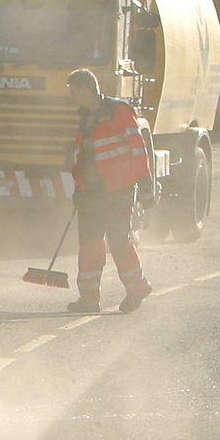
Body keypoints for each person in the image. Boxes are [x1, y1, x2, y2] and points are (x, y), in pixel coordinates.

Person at [65, 67, 154, 313]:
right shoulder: (85, 117)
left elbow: (138, 147)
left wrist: (145, 184)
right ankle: (89, 299)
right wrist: (79, 189)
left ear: (86, 89)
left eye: (74, 91)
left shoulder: (118, 111)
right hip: (92, 193)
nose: (72, 96)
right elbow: (83, 158)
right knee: (90, 244)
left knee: (118, 241)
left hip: (117, 190)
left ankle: (138, 287)